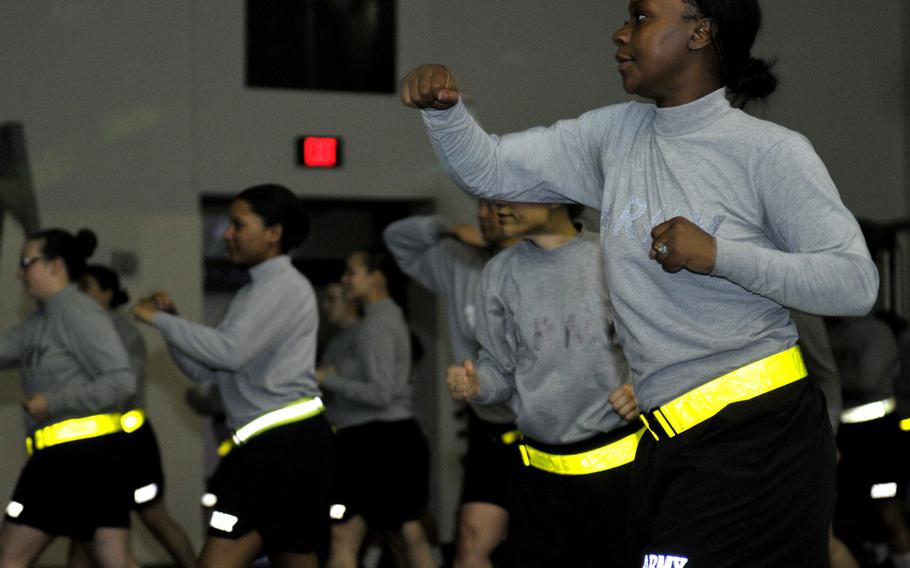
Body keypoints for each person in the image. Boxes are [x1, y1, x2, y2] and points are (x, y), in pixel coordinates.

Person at [400, 0, 879, 564]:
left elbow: (854, 281)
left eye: (642, 17)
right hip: (665, 440)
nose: (619, 33)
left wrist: (719, 255)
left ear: (701, 31)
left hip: (758, 432)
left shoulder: (768, 151)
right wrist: (446, 113)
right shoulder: (614, 134)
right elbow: (493, 169)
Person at [132, 184, 333, 568]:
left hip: (282, 448)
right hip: (283, 446)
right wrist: (172, 325)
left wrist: (157, 319)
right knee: (293, 557)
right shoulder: (253, 293)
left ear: (273, 234)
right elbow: (204, 369)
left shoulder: (283, 286)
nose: (227, 235)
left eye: (239, 225)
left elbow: (228, 350)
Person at [446, 200, 639, 568]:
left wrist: (640, 389)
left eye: (513, 195)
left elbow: (657, 349)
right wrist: (476, 384)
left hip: (615, 474)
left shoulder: (610, 256)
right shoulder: (499, 272)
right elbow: (499, 371)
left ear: (553, 195)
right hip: (538, 477)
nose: (498, 208)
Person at [382, 200, 520, 568]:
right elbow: (396, 239)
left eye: (495, 207)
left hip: (545, 427)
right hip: (489, 425)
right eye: (480, 207)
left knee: (542, 542)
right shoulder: (457, 260)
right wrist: (445, 226)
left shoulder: (541, 263)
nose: (483, 215)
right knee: (471, 540)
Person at [0, 228, 139, 568]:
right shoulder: (40, 321)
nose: (20, 272)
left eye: (27, 262)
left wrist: (54, 401)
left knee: (10, 556)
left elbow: (122, 380)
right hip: (72, 458)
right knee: (113, 558)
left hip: (78, 458)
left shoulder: (79, 312)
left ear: (55, 266)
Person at [66, 264, 195, 568]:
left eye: (87, 288)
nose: (79, 295)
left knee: (153, 517)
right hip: (91, 443)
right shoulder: (77, 330)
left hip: (129, 443)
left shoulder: (123, 334)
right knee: (81, 528)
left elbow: (122, 387)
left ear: (107, 294)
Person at [316, 249, 436, 568]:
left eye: (351, 272)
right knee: (399, 534)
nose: (345, 280)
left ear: (376, 278)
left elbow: (382, 393)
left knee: (397, 534)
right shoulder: (380, 319)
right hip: (373, 437)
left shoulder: (379, 323)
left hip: (379, 440)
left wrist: (330, 379)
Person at [827, 314, 910, 568]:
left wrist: (828, 377)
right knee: (854, 515)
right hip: (846, 438)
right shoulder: (828, 331)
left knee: (888, 512)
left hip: (877, 440)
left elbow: (866, 379)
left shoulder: (875, 332)